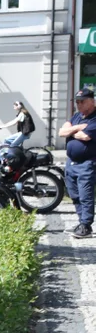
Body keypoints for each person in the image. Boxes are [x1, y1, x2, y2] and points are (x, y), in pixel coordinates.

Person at [59, 87, 96, 239]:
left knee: (85, 194)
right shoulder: (77, 117)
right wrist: (77, 127)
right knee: (74, 194)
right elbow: (62, 132)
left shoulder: (94, 118)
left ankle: (86, 225)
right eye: (77, 102)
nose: (78, 105)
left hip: (87, 163)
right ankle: (82, 223)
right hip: (71, 162)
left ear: (92, 101)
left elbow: (85, 136)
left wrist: (72, 131)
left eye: (82, 102)